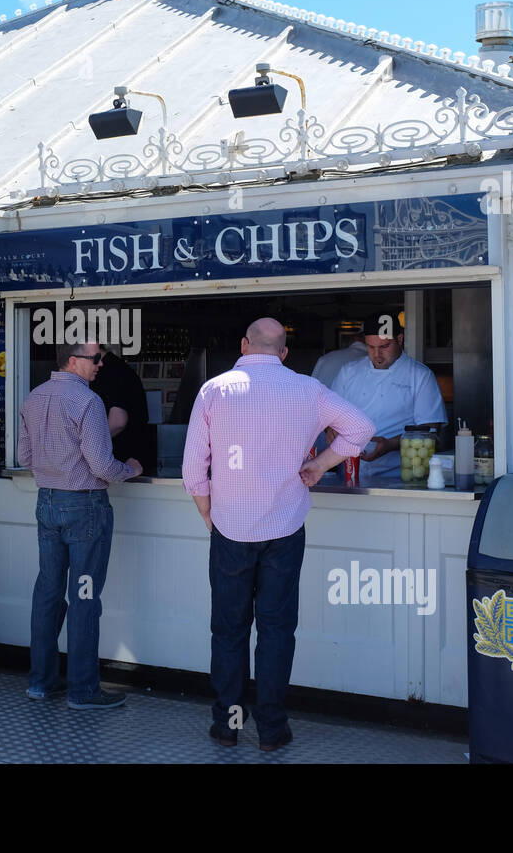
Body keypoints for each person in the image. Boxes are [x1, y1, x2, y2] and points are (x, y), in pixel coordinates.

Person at [182, 318, 375, 750]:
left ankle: (227, 724)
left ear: (244, 345)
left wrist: (209, 515)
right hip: (285, 530)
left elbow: (193, 470)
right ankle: (271, 729)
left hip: (230, 530)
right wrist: (320, 465)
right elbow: (360, 428)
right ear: (284, 352)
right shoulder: (308, 390)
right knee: (276, 630)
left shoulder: (215, 390)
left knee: (229, 630)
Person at [18, 340, 142, 709]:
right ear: (72, 361)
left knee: (48, 594)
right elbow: (103, 466)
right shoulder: (88, 402)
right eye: (95, 359)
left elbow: (25, 456)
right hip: (85, 506)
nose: (101, 364)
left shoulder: (33, 398)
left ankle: (40, 683)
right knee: (85, 598)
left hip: (47, 504)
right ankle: (83, 690)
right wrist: (131, 469)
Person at [330, 311, 446, 481]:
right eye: (371, 347)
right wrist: (330, 428)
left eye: (384, 347)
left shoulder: (420, 375)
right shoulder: (349, 372)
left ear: (400, 340)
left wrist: (390, 445)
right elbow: (331, 412)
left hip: (398, 476)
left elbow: (430, 430)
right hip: (350, 472)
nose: (377, 354)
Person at [92, 346, 155, 475]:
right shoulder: (117, 368)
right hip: (128, 459)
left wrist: (88, 444)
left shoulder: (110, 372)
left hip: (127, 460)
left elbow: (118, 421)